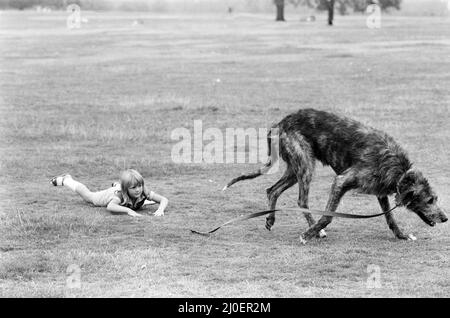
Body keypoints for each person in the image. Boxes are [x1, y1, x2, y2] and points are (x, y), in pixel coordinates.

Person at [50, 169, 168, 217]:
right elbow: (110, 207)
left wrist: (160, 209)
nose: (138, 189)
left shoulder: (143, 191)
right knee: (88, 197)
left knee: (142, 201)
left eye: (140, 186)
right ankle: (67, 180)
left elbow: (164, 199)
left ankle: (117, 185)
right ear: (126, 189)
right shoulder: (120, 195)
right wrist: (128, 210)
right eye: (134, 187)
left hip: (121, 192)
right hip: (107, 196)